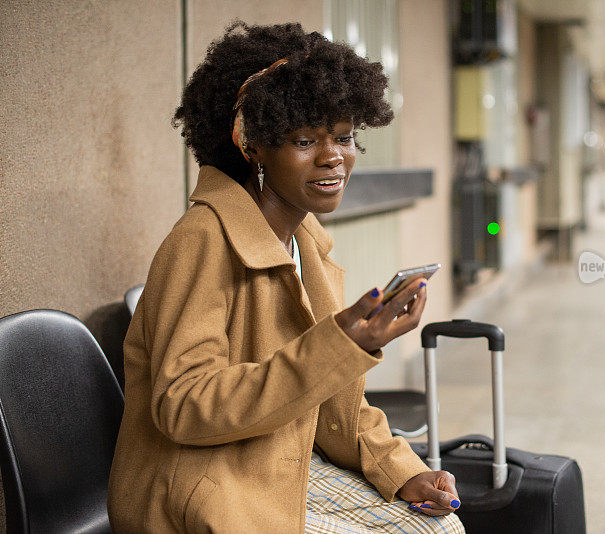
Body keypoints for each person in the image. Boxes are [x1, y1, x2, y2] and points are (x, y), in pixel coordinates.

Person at [107, 21, 465, 534]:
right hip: (207, 488)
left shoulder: (307, 245)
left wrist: (402, 471)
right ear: (252, 145)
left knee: (438, 525)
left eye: (343, 137)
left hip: (278, 459)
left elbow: (338, 403)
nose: (333, 157)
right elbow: (183, 405)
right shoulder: (202, 241)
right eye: (303, 140)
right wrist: (336, 343)